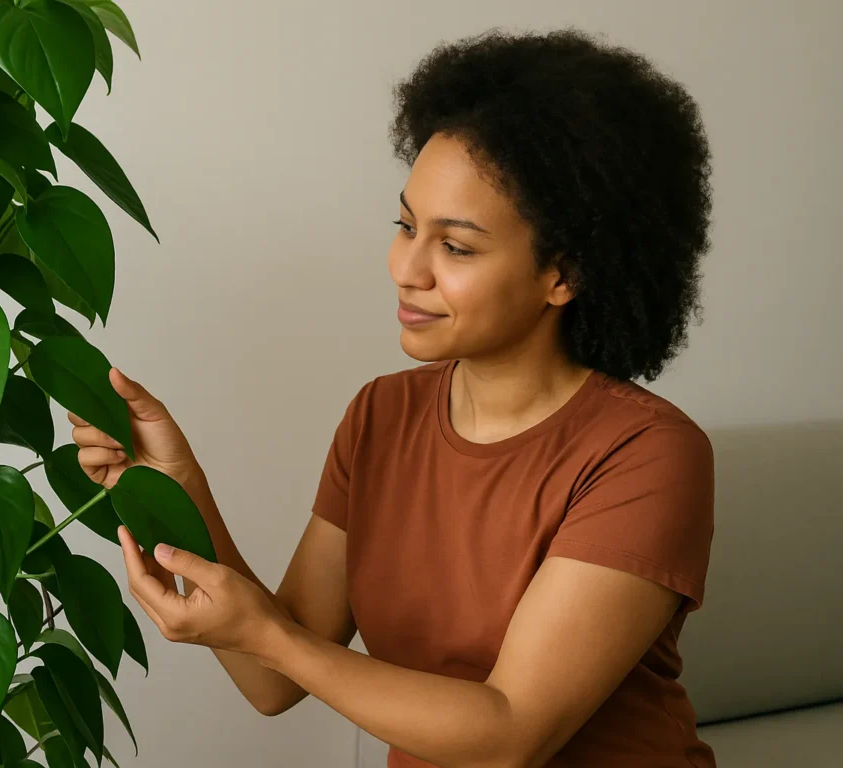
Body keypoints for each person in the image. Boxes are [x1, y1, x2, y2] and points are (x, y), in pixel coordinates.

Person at [67, 26, 716, 768]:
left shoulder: (648, 454)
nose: (406, 268)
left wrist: (267, 636)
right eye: (406, 224)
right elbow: (272, 680)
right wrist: (181, 489)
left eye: (457, 246)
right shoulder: (381, 417)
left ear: (562, 275)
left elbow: (509, 733)